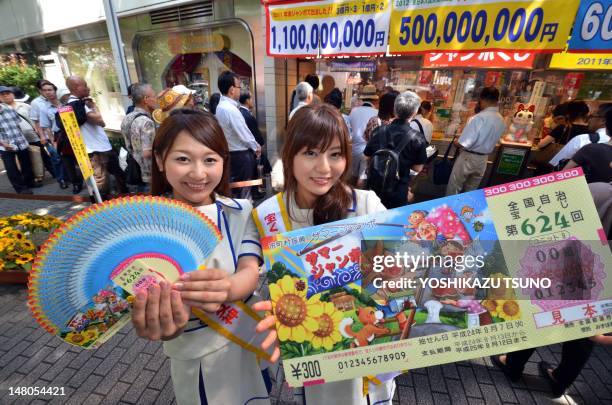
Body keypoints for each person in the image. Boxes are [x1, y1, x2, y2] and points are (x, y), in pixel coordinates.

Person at [251, 104, 396, 405]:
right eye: (310, 153)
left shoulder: (366, 205)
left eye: (335, 154)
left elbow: (399, 263)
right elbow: (248, 277)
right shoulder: (268, 215)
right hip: (316, 360)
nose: (324, 168)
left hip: (368, 359)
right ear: (289, 155)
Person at [132, 108, 270, 405]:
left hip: (250, 344)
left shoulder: (241, 212)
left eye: (210, 159)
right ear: (159, 159)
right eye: (183, 159)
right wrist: (163, 322)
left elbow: (250, 267)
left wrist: (226, 288)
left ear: (223, 161)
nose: (198, 173)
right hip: (198, 360)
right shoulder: (143, 230)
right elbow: (150, 302)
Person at [66, 75, 128, 198]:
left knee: (119, 172)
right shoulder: (77, 105)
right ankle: (103, 206)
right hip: (94, 150)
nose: (87, 88)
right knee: (101, 181)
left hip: (101, 147)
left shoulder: (78, 104)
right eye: (85, 85)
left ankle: (123, 198)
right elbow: (100, 121)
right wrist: (94, 106)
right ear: (77, 87)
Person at [363, 91, 428, 208]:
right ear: (414, 113)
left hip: (374, 190)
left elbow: (366, 156)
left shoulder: (378, 131)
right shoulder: (417, 138)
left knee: (372, 221)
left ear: (394, 109)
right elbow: (417, 168)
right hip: (399, 192)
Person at [446, 87, 505, 195]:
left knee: (454, 188)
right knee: (471, 191)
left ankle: (450, 210)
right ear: (497, 100)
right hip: (483, 160)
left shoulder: (478, 118)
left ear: (482, 99)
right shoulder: (501, 119)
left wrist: (456, 142)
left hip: (468, 158)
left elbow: (465, 142)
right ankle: (465, 211)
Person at [214, 71, 260, 199]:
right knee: (244, 191)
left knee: (238, 190)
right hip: (240, 155)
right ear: (232, 90)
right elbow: (244, 134)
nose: (240, 90)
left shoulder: (221, 106)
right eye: (239, 87)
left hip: (232, 154)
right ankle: (244, 215)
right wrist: (256, 147)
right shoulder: (230, 109)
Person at [0, 85, 56, 185]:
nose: (6, 96)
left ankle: (53, 174)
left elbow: (35, 120)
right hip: (13, 141)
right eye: (2, 95)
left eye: (8, 93)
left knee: (41, 156)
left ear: (13, 95)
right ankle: (27, 182)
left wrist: (41, 134)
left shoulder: (24, 106)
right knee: (18, 163)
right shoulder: (4, 109)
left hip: (31, 136)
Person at [120, 83, 157, 192]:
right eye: (154, 96)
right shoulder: (146, 122)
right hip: (147, 174)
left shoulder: (127, 117)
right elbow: (147, 152)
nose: (156, 100)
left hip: (133, 168)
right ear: (146, 99)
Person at [549, 103, 612, 168]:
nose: (589, 120)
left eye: (591, 116)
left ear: (603, 120)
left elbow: (556, 165)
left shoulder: (583, 140)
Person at [564, 107, 612, 184]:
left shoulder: (591, 149)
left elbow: (562, 176)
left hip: (582, 194)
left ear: (606, 123)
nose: (589, 119)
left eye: (591, 116)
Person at [0, 100, 35, 193]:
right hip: (4, 145)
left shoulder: (9, 108)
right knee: (11, 167)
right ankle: (21, 188)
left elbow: (17, 124)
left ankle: (30, 182)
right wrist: (3, 144)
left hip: (19, 140)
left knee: (26, 163)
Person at [348, 84, 379, 184]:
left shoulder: (353, 111)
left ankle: (352, 197)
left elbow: (350, 130)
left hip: (354, 149)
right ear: (374, 100)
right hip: (368, 151)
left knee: (352, 178)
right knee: (362, 180)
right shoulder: (377, 113)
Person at [29, 79, 56, 144]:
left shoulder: (57, 99)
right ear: (39, 90)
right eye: (44, 89)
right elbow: (36, 121)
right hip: (48, 134)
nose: (47, 91)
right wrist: (42, 136)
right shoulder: (35, 102)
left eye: (49, 89)